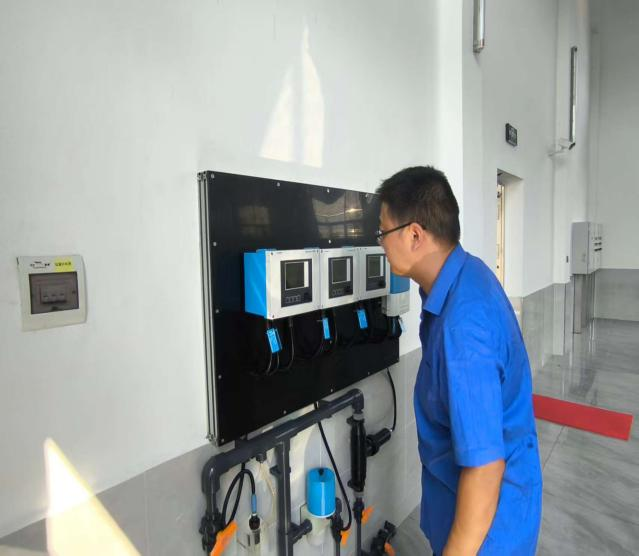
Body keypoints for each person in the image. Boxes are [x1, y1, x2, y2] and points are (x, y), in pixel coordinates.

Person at [376, 166, 542, 555]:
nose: (380, 244)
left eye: (383, 232)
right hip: (489, 507)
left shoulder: (462, 326)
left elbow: (484, 469)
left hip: (487, 532)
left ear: (414, 235)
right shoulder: (468, 276)